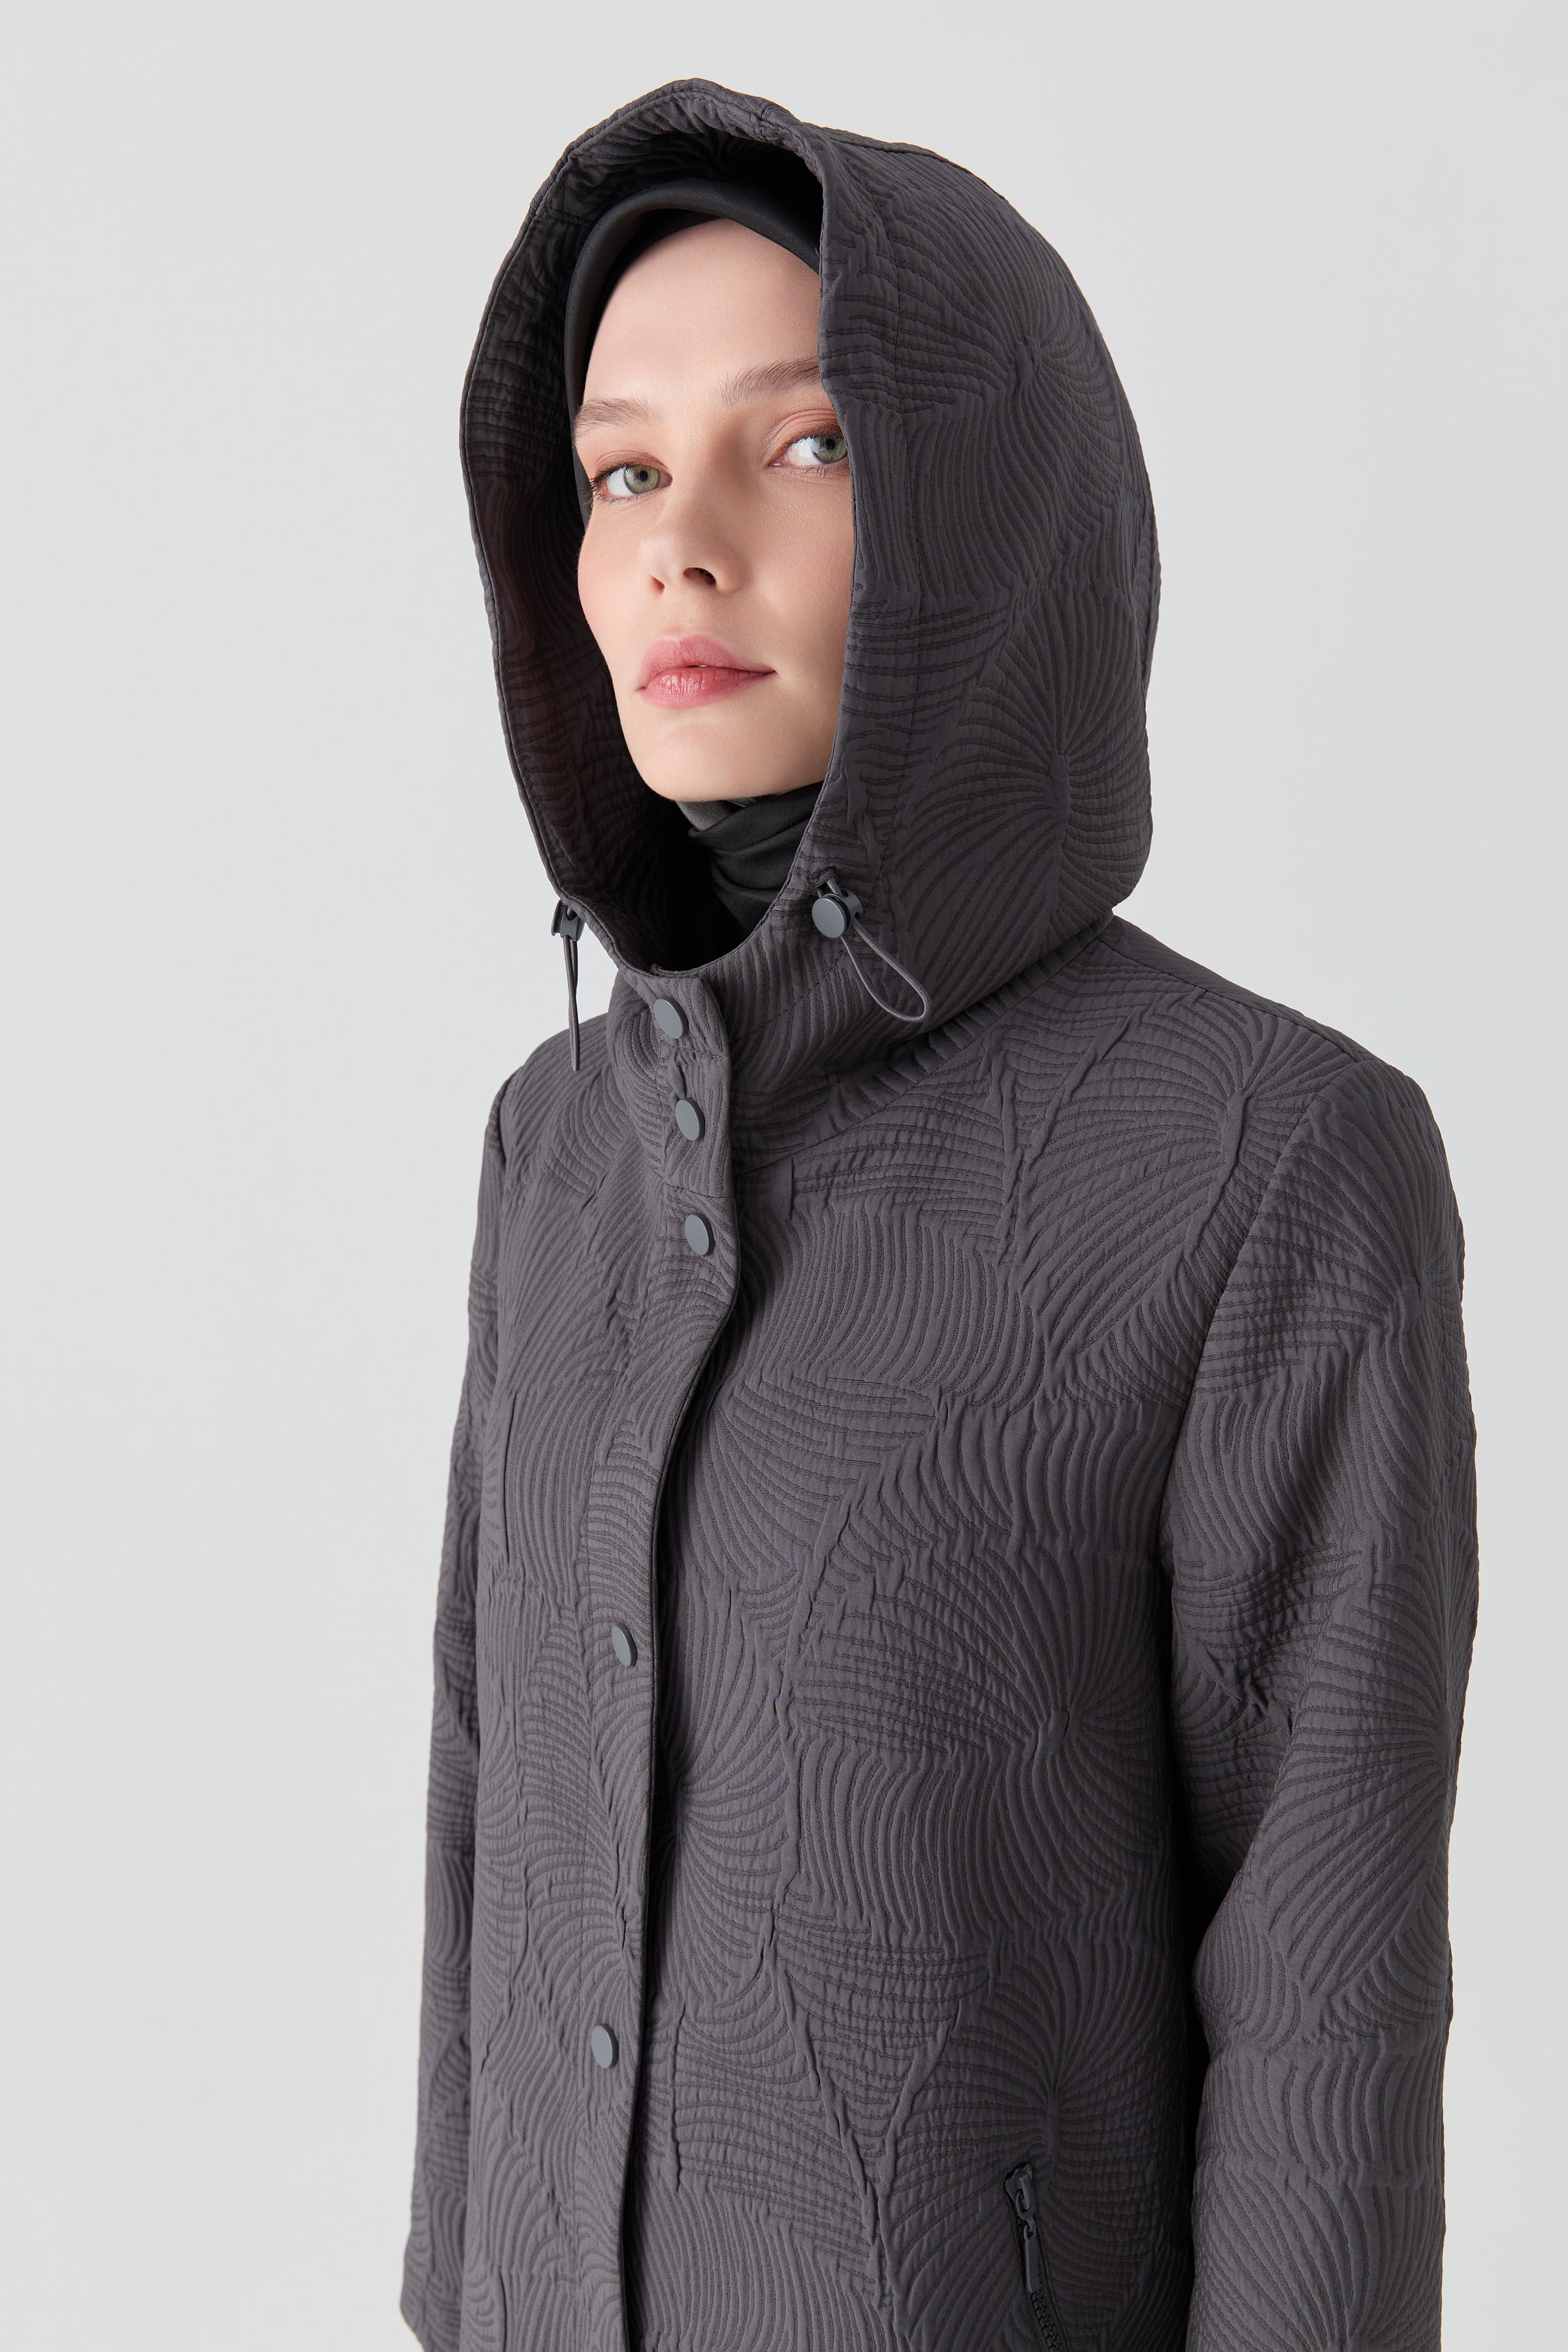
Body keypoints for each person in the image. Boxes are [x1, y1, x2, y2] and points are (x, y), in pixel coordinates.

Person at [402, 80, 1478, 2352]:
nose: (682, 545)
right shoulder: (549, 1146)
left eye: (803, 444)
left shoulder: (1267, 1154)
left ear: (986, 507)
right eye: (620, 471)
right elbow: (488, 1817)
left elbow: (1329, 1998)